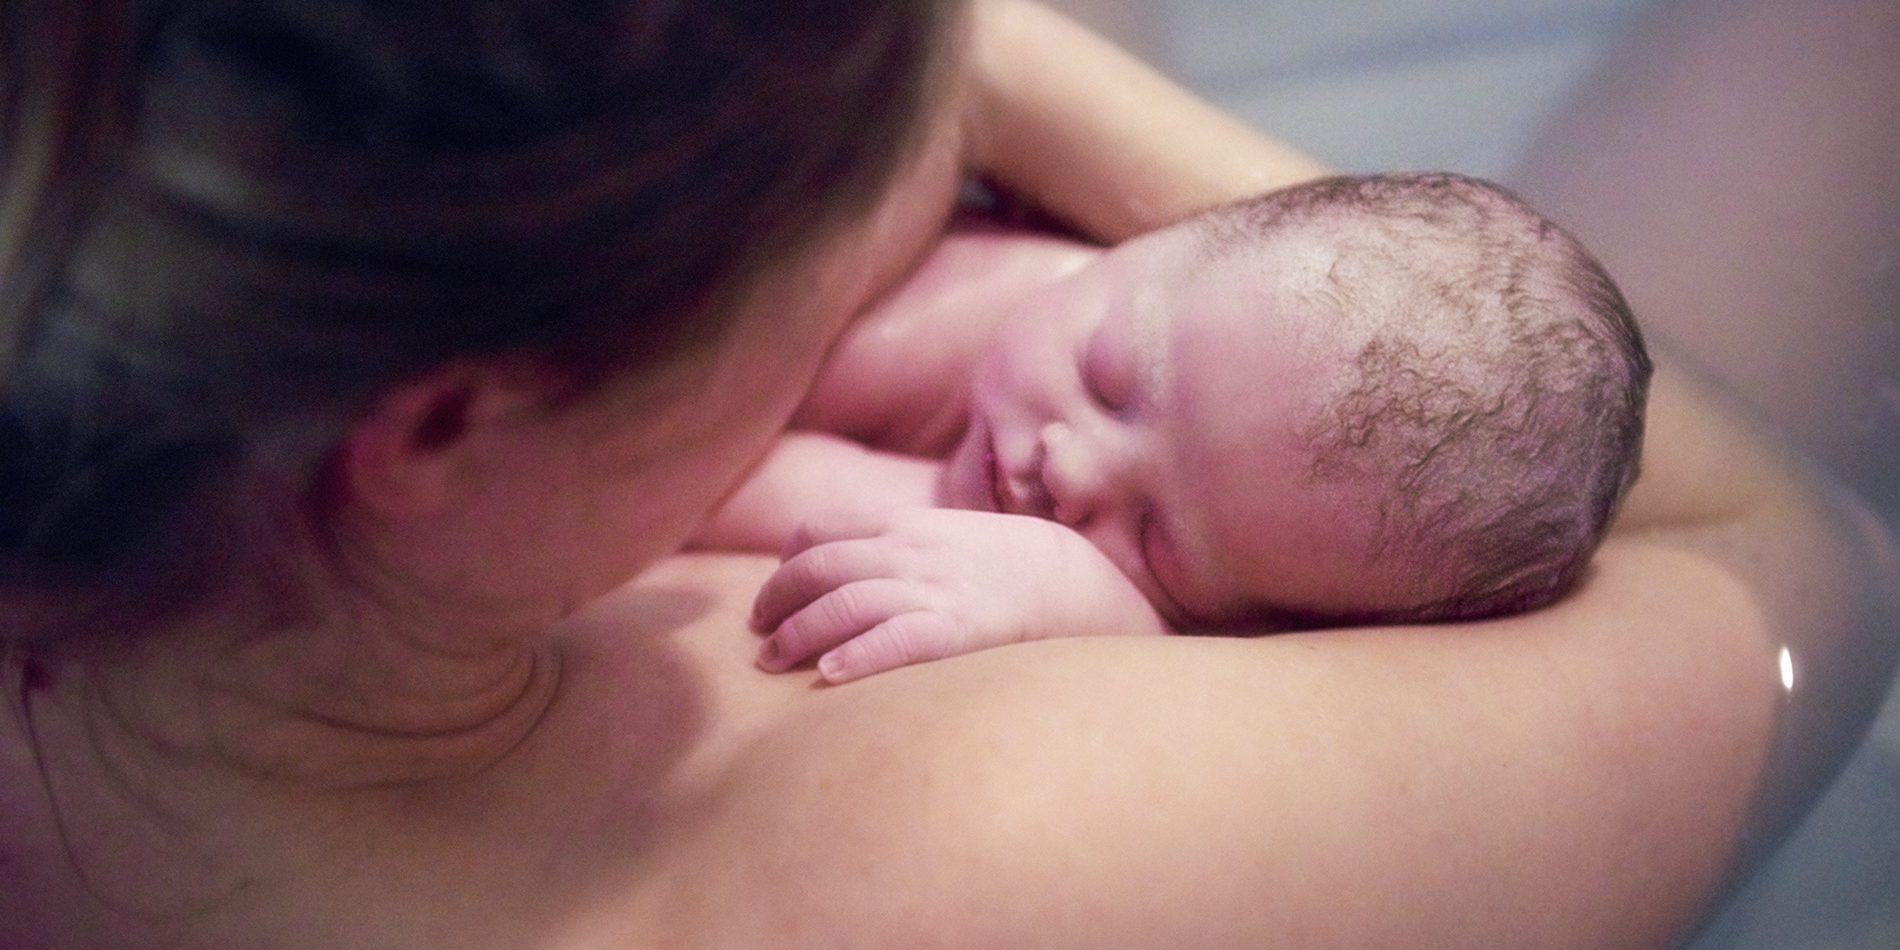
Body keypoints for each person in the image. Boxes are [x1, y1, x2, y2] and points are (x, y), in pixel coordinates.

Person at [0, 3, 1891, 949]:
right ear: (445, 428)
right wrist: (993, 71)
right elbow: (1792, 558)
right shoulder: (954, 850)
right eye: (878, 168)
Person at [699, 172, 1649, 684]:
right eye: (1109, 381)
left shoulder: (1161, 626)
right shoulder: (958, 285)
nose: (1070, 472)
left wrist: (1095, 605)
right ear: (1148, 235)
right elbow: (706, 472)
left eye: (1160, 547)